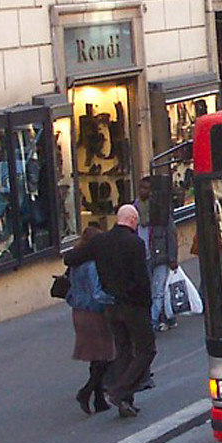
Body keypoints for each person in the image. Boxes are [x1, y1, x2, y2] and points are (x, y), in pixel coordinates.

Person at [64, 204, 154, 418]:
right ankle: (120, 392)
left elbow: (70, 259)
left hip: (112, 305)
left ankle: (125, 401)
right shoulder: (135, 243)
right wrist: (147, 305)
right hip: (133, 305)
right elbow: (141, 279)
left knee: (123, 350)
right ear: (132, 220)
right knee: (146, 350)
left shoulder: (100, 241)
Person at [65, 224, 115, 415]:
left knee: (96, 357)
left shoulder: (75, 262)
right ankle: (86, 392)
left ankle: (99, 399)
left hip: (79, 312)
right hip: (94, 313)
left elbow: (70, 287)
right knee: (106, 356)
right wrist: (114, 299)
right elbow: (97, 293)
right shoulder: (92, 265)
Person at [135, 176, 178, 331]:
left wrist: (172, 258)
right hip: (143, 257)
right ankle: (167, 317)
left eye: (145, 188)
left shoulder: (160, 211)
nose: (142, 191)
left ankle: (152, 321)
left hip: (160, 256)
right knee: (151, 290)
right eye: (140, 188)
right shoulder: (134, 210)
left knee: (158, 290)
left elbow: (171, 235)